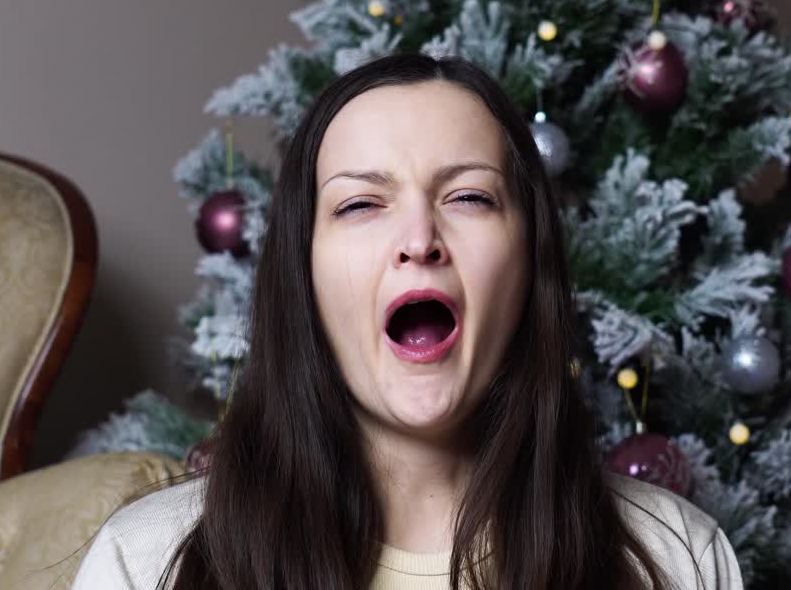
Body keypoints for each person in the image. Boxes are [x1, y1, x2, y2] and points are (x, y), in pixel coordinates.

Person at [71, 54, 743, 589]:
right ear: (302, 277)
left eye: (471, 197)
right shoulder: (147, 565)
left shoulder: (678, 559)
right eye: (362, 204)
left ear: (527, 265)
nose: (419, 237)